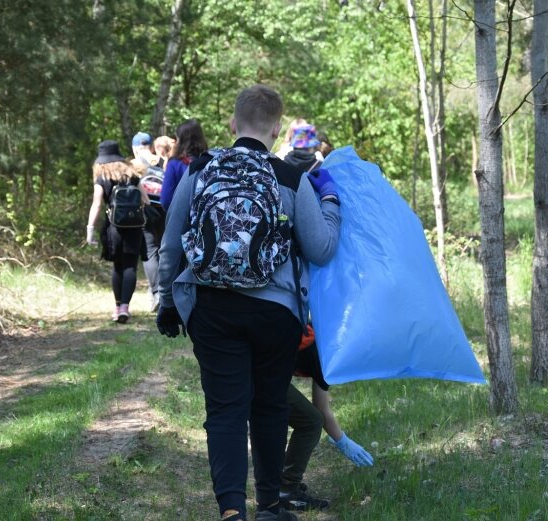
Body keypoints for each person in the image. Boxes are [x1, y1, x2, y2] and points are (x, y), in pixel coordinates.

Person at [156, 84, 341, 521]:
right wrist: (330, 201)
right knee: (271, 404)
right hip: (276, 313)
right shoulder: (290, 177)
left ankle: (231, 512)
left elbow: (170, 243)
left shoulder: (199, 168)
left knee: (224, 409)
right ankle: (270, 506)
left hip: (212, 308)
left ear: (233, 124)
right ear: (278, 129)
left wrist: (166, 300)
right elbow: (321, 249)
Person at [279, 325, 374, 512]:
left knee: (292, 415)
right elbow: (321, 410)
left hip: (252, 362)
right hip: (255, 372)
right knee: (311, 421)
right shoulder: (330, 356)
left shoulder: (326, 335)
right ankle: (286, 489)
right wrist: (343, 441)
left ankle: (279, 481)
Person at [86, 140, 147, 323]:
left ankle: (116, 306)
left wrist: (90, 230)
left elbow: (97, 204)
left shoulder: (102, 178)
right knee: (130, 266)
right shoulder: (132, 175)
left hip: (114, 228)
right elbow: (145, 200)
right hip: (134, 228)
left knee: (118, 266)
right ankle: (125, 308)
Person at [131, 131, 167, 312]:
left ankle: (157, 293)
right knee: (162, 249)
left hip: (144, 210)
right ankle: (165, 291)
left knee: (150, 251)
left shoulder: (133, 164)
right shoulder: (161, 160)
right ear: (151, 146)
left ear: (135, 148)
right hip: (164, 209)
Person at [160, 119, 208, 210]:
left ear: (180, 140)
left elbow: (166, 200)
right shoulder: (210, 162)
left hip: (181, 220)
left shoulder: (174, 164)